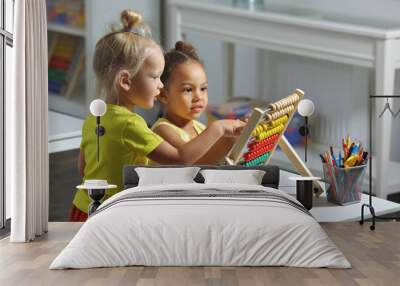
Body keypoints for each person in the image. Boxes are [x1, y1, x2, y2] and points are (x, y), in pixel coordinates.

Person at [70, 10, 245, 221]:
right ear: (126, 81)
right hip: (111, 213)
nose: (160, 85)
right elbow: (181, 160)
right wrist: (219, 128)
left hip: (82, 206)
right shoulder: (130, 124)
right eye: (155, 77)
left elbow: (83, 167)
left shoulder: (94, 117)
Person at [152, 41, 240, 164]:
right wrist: (220, 131)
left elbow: (215, 160)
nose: (198, 96)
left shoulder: (200, 128)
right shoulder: (162, 130)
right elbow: (194, 164)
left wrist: (242, 132)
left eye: (203, 88)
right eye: (188, 90)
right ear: (163, 95)